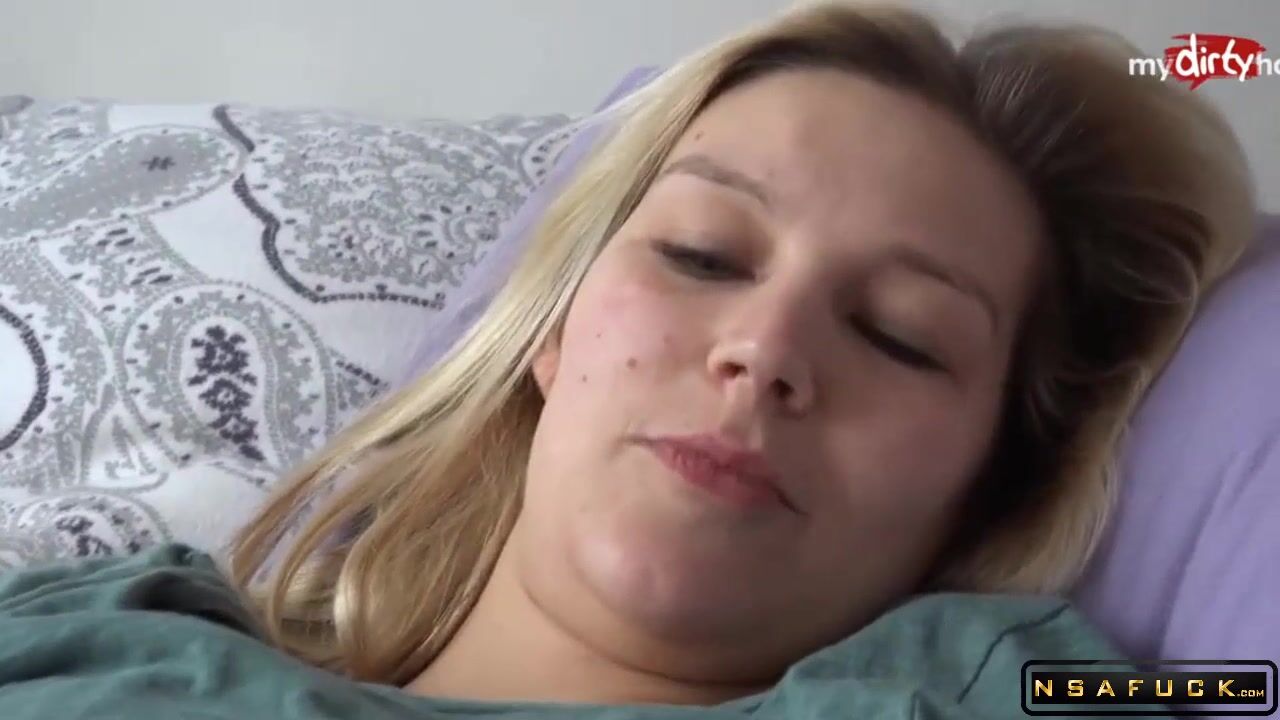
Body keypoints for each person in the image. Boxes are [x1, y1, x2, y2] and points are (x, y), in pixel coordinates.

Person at [0, 2, 1258, 718]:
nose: (763, 350)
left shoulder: (968, 696)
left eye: (898, 336)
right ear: (551, 323)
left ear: (981, 488)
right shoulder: (100, 634)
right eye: (702, 255)